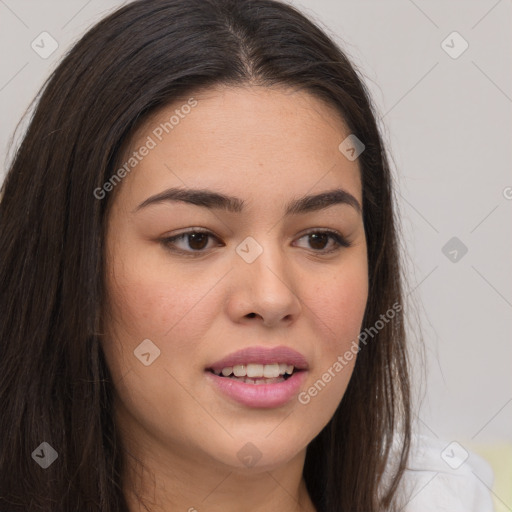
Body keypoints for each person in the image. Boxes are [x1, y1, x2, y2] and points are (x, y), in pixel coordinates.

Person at [0, 0, 495, 510]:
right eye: (195, 239)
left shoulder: (445, 498)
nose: (272, 296)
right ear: (74, 271)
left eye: (320, 238)